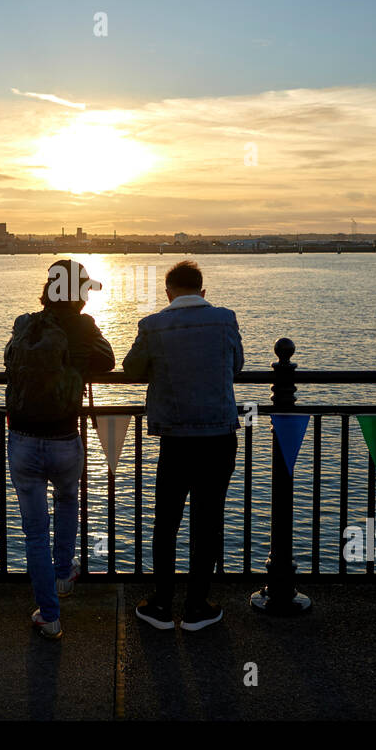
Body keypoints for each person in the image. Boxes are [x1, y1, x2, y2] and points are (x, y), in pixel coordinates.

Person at [123, 260, 243, 631]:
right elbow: (235, 366)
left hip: (176, 440)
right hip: (219, 437)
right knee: (207, 521)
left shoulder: (153, 325)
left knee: (167, 521)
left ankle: (160, 605)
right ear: (203, 292)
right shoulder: (225, 320)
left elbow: (130, 369)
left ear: (168, 292)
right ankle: (197, 607)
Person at [4, 259, 114, 639]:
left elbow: (9, 363)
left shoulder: (26, 323)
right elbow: (109, 360)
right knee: (68, 500)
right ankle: (65, 572)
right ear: (79, 292)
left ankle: (49, 616)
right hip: (65, 437)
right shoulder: (82, 326)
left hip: (21, 438)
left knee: (35, 533)